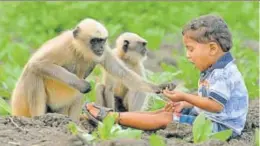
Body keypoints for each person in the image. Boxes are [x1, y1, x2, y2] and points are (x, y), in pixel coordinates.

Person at [83, 14, 248, 138]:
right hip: (208, 117)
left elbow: (215, 106)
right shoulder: (215, 69)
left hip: (220, 127)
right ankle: (114, 116)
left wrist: (185, 97)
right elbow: (210, 99)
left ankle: (113, 118)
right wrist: (184, 103)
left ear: (212, 49)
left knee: (165, 118)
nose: (188, 56)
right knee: (162, 111)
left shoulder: (223, 73)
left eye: (191, 49)